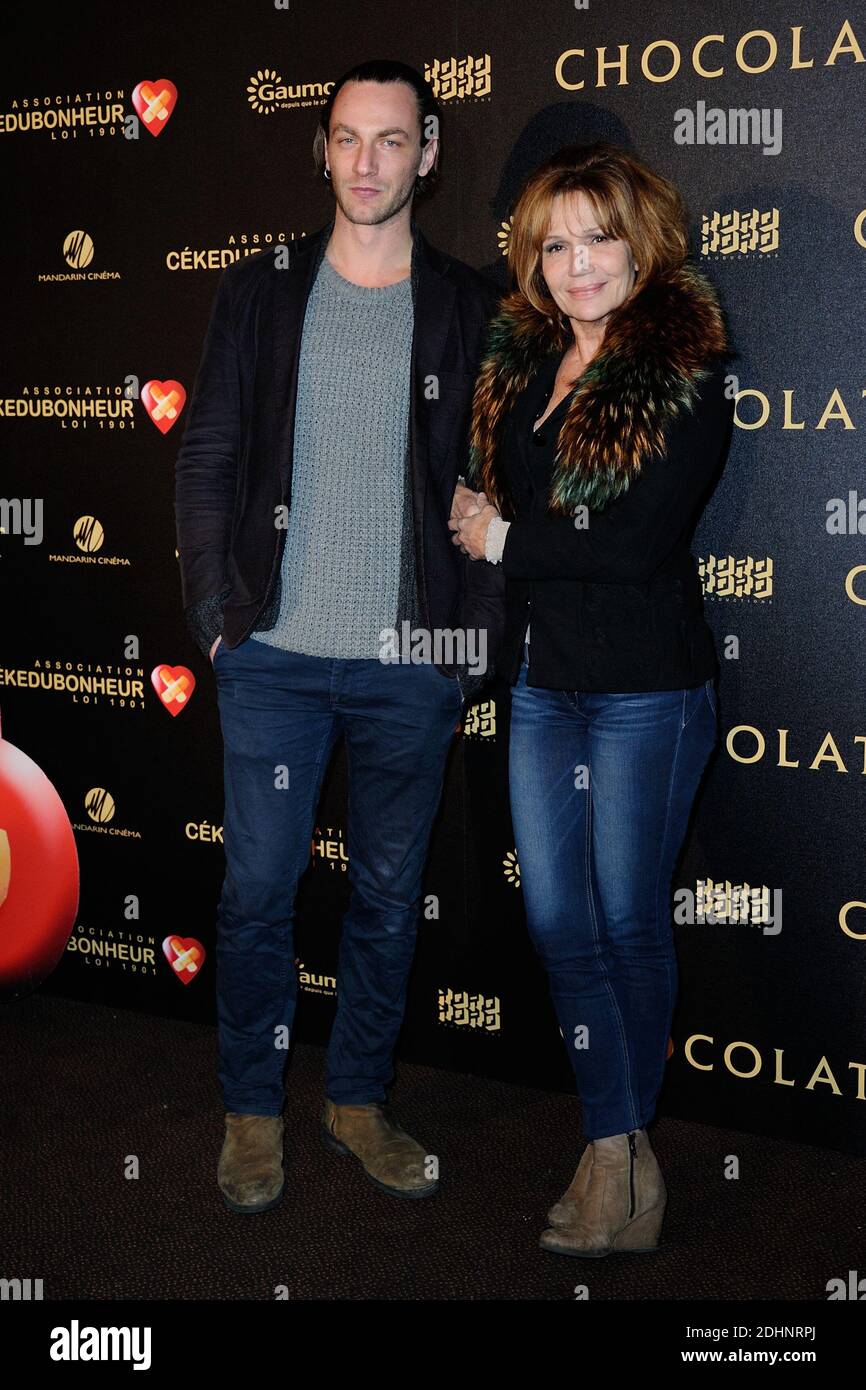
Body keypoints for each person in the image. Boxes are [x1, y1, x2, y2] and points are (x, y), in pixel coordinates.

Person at [174, 59, 502, 1214]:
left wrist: (466, 649)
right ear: (321, 150)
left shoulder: (472, 304)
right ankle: (251, 1111)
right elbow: (208, 454)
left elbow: (493, 482)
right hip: (271, 656)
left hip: (409, 664)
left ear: (428, 152)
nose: (367, 162)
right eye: (347, 139)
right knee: (258, 892)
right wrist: (219, 621)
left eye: (391, 140)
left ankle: (356, 1098)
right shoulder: (259, 289)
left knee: (385, 890)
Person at [449, 141, 734, 1257]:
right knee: (557, 921)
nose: (576, 265)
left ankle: (615, 1155)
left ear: (638, 243)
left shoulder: (684, 372)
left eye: (596, 238)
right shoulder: (518, 367)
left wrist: (502, 535)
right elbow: (486, 503)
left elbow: (627, 547)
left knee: (622, 919)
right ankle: (617, 1140)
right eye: (553, 244)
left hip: (643, 693)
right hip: (541, 686)